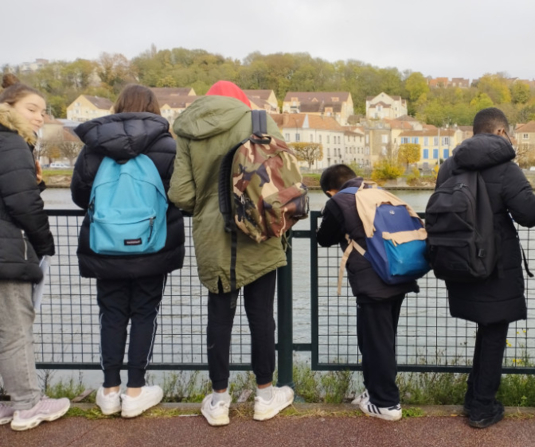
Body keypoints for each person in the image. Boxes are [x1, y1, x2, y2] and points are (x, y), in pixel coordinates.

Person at [169, 80, 293, 426]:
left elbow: (180, 194)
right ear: (241, 100)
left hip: (214, 236)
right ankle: (266, 396)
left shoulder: (189, 131)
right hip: (260, 232)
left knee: (219, 317)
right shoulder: (259, 121)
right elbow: (283, 178)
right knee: (261, 316)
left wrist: (209, 202)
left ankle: (219, 399)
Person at [71, 84, 185, 417]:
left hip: (106, 245)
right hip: (152, 244)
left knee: (111, 315)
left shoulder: (94, 146)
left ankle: (109, 390)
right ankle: (135, 391)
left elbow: (81, 196)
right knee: (145, 314)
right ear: (154, 108)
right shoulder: (167, 145)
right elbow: (178, 194)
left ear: (118, 107)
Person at [434, 107, 535, 428]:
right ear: (499, 133)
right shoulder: (506, 168)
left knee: (486, 329)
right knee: (494, 332)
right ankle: (483, 407)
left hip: (458, 261)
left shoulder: (448, 167)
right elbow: (530, 213)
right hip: (495, 266)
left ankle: (474, 396)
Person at [316, 164, 419, 421]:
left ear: (330, 190)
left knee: (374, 342)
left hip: (372, 280)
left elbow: (325, 238)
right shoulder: (377, 191)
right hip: (397, 271)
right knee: (383, 339)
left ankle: (387, 404)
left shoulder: (339, 201)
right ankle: (375, 393)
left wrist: (328, 213)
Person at [0, 74, 70, 431]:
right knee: (15, 329)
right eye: (32, 109)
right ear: (7, 107)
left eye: (43, 111)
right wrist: (44, 244)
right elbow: (23, 202)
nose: (40, 117)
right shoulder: (11, 143)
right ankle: (28, 403)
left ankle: (10, 401)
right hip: (6, 251)